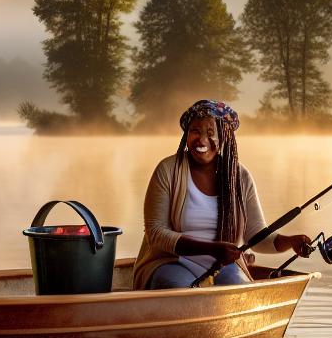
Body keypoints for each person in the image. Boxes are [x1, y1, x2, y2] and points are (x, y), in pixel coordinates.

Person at [133, 99, 313, 290]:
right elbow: (156, 233)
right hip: (171, 262)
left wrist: (290, 242)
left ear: (224, 138)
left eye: (211, 133)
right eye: (195, 131)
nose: (202, 140)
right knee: (181, 290)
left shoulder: (240, 177)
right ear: (186, 134)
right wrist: (213, 249)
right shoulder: (168, 170)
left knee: (237, 291)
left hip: (224, 265)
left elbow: (257, 238)